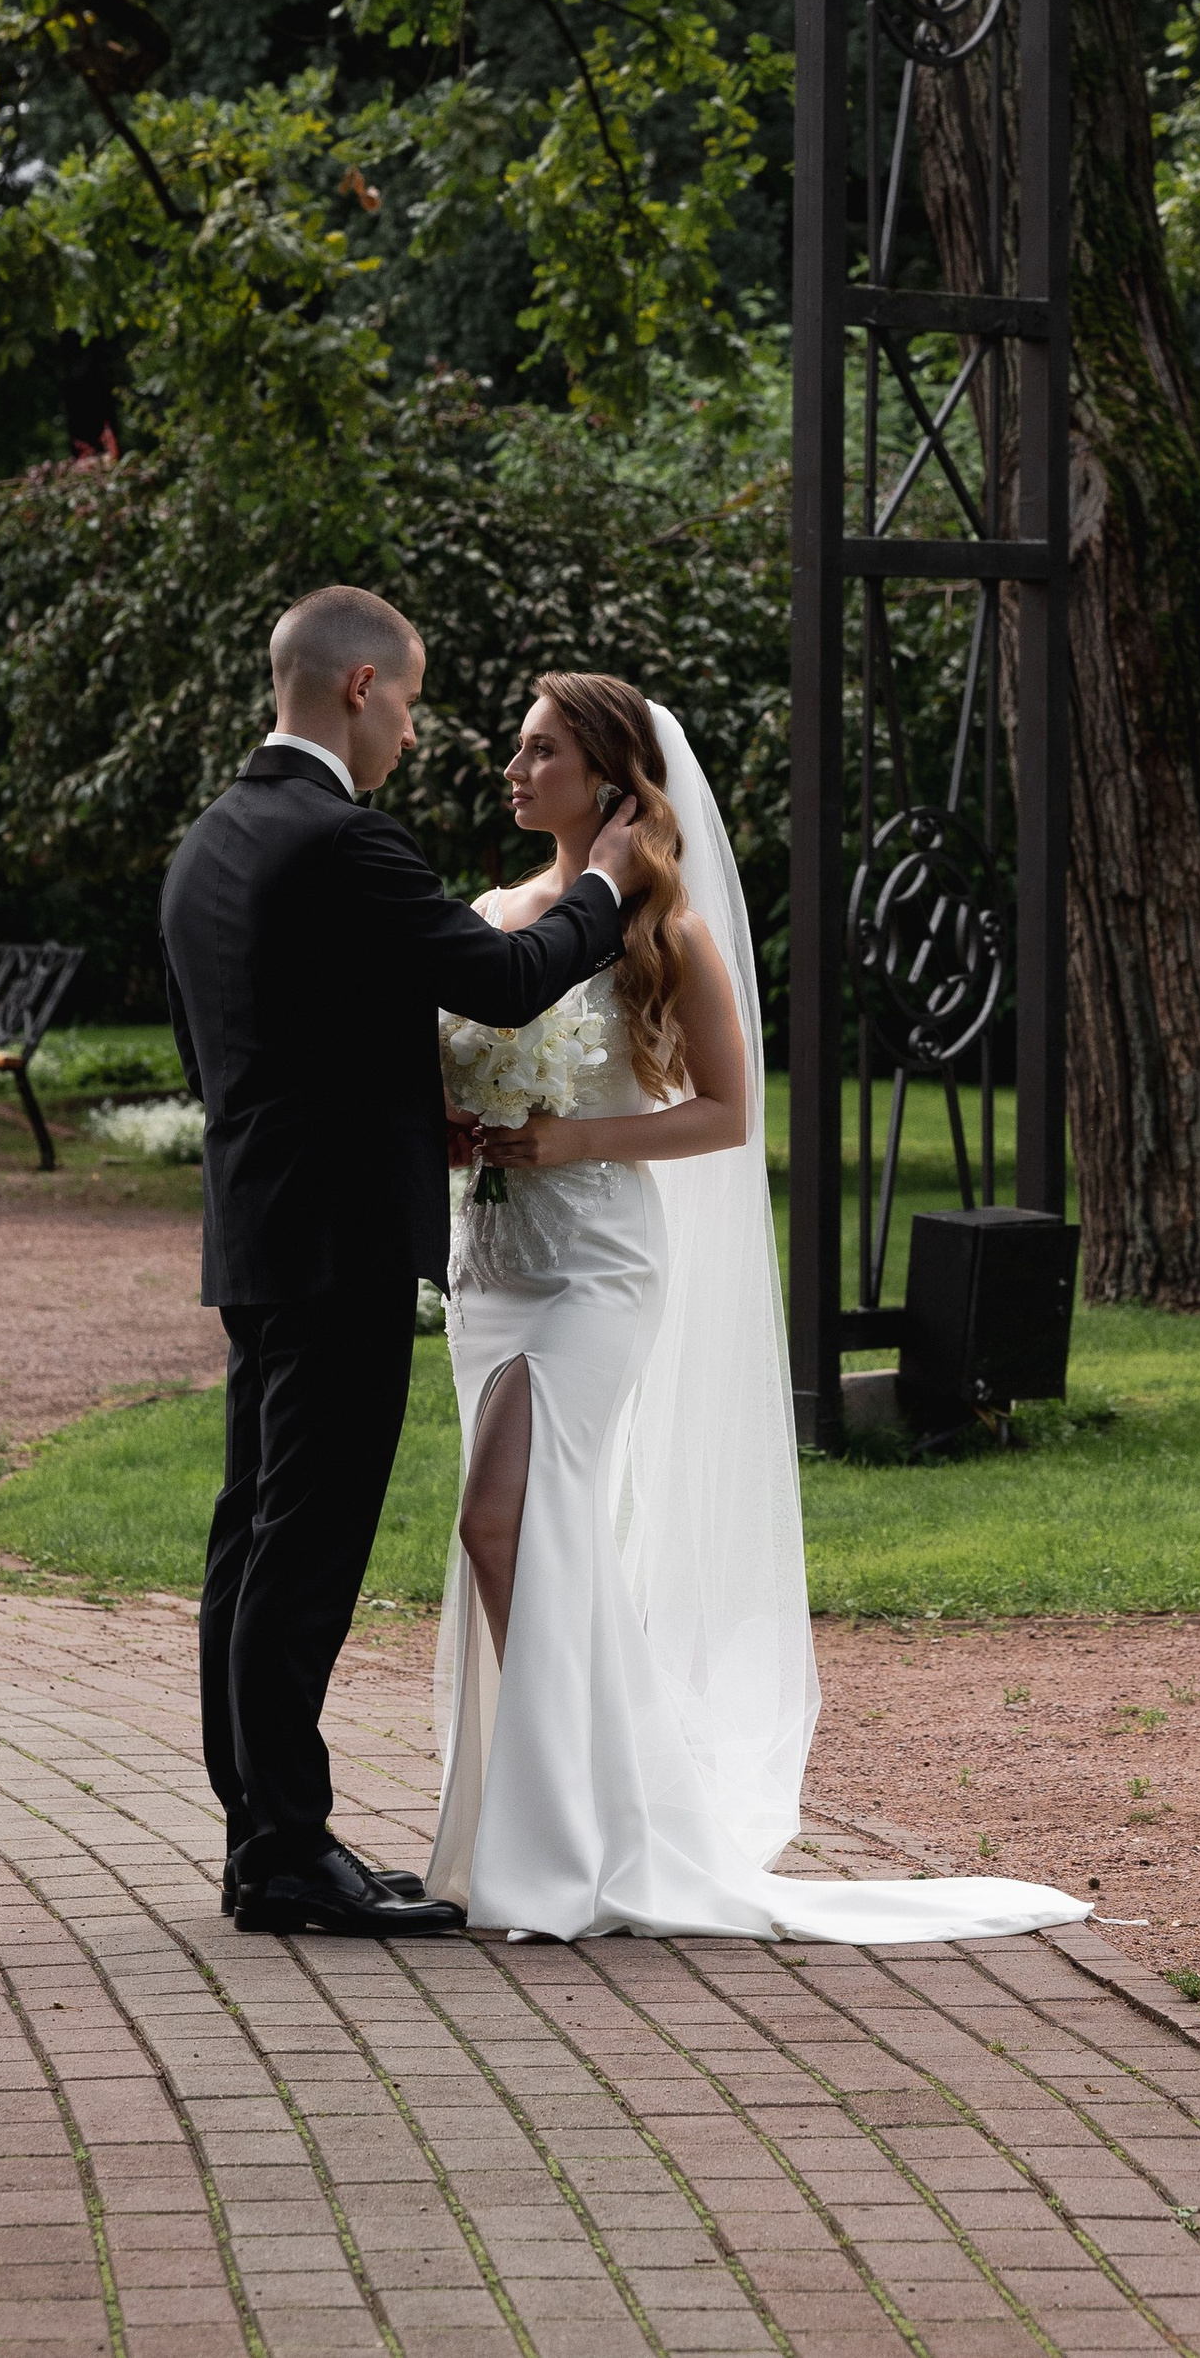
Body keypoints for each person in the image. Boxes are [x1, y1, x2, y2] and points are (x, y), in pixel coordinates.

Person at [428, 668, 1089, 1945]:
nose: (512, 771)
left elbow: (729, 1116)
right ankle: (565, 1824)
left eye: (540, 750)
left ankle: (592, 1828)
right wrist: (464, 1134)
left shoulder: (659, 930)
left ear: (612, 780)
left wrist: (574, 1142)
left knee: (500, 1519)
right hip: (491, 1269)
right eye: (515, 750)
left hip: (595, 1269)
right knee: (517, 1536)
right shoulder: (491, 913)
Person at [161, 584, 646, 1941]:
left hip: (259, 1232)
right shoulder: (340, 840)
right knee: (303, 1550)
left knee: (252, 1533)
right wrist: (605, 885)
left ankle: (272, 1831)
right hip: (339, 1244)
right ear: (362, 686)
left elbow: (230, 1054)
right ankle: (285, 1851)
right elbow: (504, 976)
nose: (420, 732)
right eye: (417, 698)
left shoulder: (213, 840)